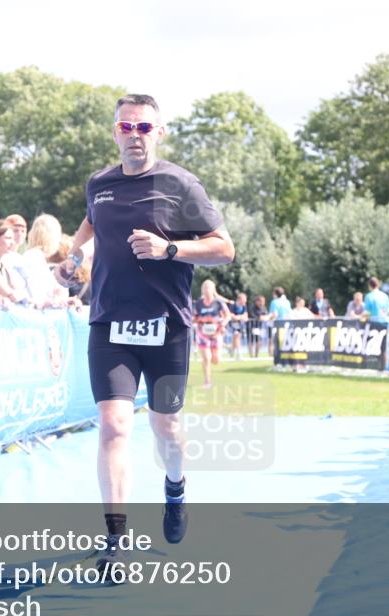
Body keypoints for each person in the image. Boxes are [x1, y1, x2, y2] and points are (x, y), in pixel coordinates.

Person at [54, 94, 234, 573]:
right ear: (115, 132)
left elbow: (224, 249)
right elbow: (90, 224)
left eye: (144, 128)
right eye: (126, 127)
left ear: (160, 132)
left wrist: (169, 249)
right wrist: (73, 262)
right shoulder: (100, 184)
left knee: (167, 429)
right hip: (110, 323)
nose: (135, 136)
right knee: (114, 426)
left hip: (168, 328)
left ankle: (175, 488)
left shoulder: (180, 184)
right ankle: (115, 540)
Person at [0, 219, 31, 305]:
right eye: (8, 238)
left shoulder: (5, 265)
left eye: (12, 238)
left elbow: (16, 290)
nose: (12, 242)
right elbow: (10, 294)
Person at [193, 280, 231, 388]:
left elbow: (228, 315)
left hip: (216, 333)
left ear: (213, 290)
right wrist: (198, 319)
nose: (206, 289)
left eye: (208, 287)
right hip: (202, 333)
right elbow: (194, 317)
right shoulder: (198, 303)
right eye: (204, 287)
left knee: (216, 360)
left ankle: (221, 349)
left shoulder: (219, 302)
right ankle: (207, 381)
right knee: (206, 358)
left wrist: (223, 324)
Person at [227, 291, 249, 360]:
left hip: (240, 325)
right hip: (232, 324)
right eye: (243, 301)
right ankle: (239, 354)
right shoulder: (233, 305)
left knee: (236, 338)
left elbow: (246, 316)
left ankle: (231, 349)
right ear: (239, 299)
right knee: (236, 335)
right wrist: (240, 317)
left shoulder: (244, 306)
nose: (244, 302)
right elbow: (232, 316)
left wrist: (239, 317)